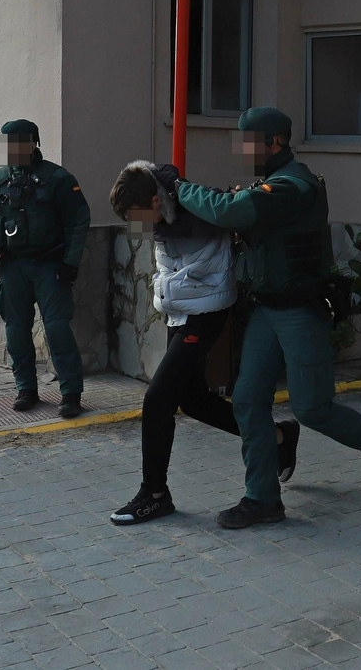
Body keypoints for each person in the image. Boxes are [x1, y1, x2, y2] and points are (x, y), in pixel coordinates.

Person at [172, 107, 361, 530]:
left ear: (275, 143)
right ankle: (262, 499)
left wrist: (179, 187)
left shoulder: (294, 185)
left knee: (313, 408)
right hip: (268, 309)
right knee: (247, 401)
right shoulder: (272, 184)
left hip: (300, 312)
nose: (242, 150)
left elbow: (232, 211)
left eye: (249, 142)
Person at [104, 160, 301, 525]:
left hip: (207, 312)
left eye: (137, 217)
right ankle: (277, 438)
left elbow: (237, 212)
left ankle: (155, 495)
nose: (137, 228)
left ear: (154, 202)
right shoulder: (157, 212)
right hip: (179, 311)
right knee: (191, 400)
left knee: (157, 398)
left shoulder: (196, 205)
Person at [0, 120, 93, 418]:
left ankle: (71, 394)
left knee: (58, 330)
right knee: (16, 333)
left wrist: (70, 263)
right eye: (8, 144)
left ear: (34, 143)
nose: (14, 150)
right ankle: (26, 389)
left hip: (49, 266)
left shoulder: (58, 178)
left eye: (20, 143)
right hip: (12, 268)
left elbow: (79, 220)